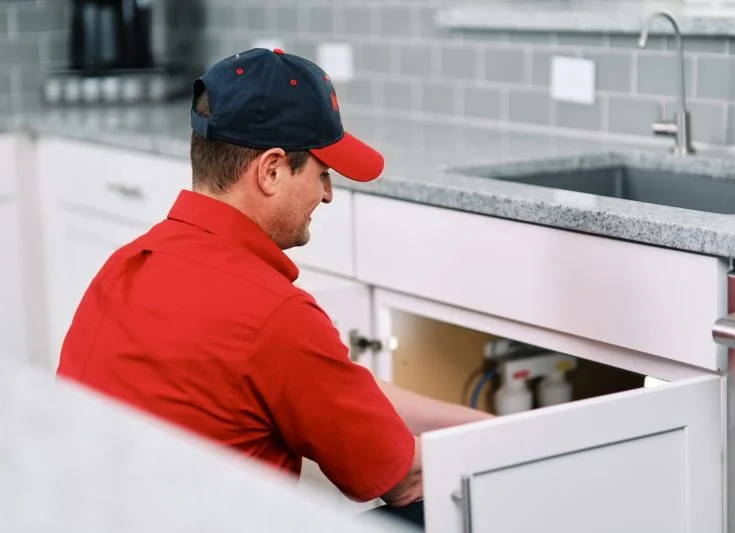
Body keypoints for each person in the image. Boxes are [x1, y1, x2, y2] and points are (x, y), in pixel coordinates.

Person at [55, 48, 492, 528]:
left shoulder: (124, 267)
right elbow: (402, 478)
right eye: (322, 173)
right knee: (451, 503)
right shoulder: (272, 313)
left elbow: (333, 387)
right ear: (271, 170)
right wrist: (524, 450)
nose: (327, 194)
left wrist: (481, 426)